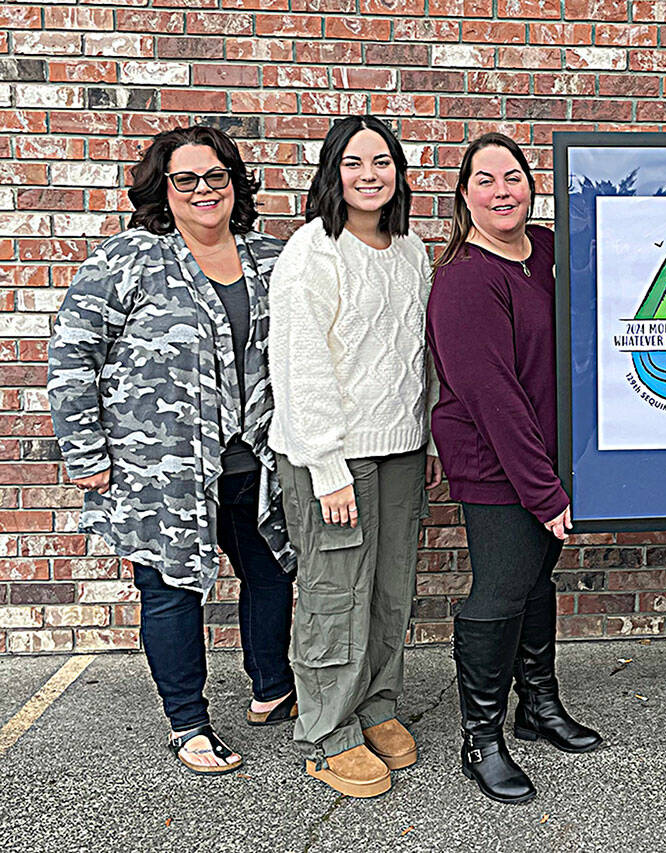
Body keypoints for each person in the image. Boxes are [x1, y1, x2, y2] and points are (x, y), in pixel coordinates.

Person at [47, 126, 297, 776]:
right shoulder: (127, 259)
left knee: (272, 570)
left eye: (215, 175)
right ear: (164, 188)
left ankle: (272, 687)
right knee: (169, 587)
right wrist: (85, 451)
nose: (203, 189)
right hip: (163, 468)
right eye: (185, 178)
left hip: (256, 462)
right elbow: (73, 352)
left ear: (234, 182)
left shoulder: (271, 257)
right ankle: (188, 724)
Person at [268, 115, 442, 798]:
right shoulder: (313, 251)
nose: (370, 174)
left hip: (399, 449)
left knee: (390, 588)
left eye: (382, 161)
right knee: (336, 592)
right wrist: (327, 466)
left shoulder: (411, 250)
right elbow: (300, 365)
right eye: (353, 162)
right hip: (332, 457)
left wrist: (422, 435)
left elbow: (417, 359)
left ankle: (377, 704)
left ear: (399, 173)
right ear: (332, 173)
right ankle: (327, 730)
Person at [427, 132, 601, 805]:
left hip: (547, 456)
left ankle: (538, 706)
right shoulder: (465, 278)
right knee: (498, 594)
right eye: (485, 180)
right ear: (465, 195)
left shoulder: (550, 251)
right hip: (497, 463)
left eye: (514, 177)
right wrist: (541, 490)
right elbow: (494, 398)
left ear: (532, 185)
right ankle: (481, 738)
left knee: (533, 583)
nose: (503, 191)